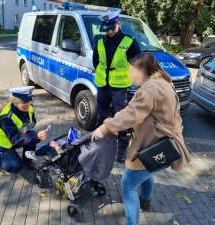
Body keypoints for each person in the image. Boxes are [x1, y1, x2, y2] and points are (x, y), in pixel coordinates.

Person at [91, 53, 191, 225]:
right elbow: (142, 113)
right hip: (163, 143)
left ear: (142, 70)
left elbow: (131, 114)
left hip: (154, 144)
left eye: (132, 72)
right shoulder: (163, 83)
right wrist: (118, 125)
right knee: (145, 170)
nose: (130, 76)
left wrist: (105, 127)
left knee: (128, 184)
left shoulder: (149, 90)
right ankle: (145, 201)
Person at [93, 11, 141, 163]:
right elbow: (96, 62)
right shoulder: (100, 41)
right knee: (100, 116)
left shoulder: (130, 42)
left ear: (119, 23)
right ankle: (97, 144)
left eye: (112, 28)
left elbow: (138, 65)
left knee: (120, 118)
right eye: (106, 29)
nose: (109, 32)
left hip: (119, 87)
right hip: (103, 85)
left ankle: (121, 149)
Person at [0, 86, 48, 173]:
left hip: (15, 137)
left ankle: (27, 161)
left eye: (29, 101)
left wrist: (32, 135)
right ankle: (0, 156)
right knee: (14, 166)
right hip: (2, 142)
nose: (28, 104)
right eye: (24, 102)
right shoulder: (7, 118)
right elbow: (15, 139)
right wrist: (35, 136)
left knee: (32, 138)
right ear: (15, 102)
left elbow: (32, 123)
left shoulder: (29, 108)